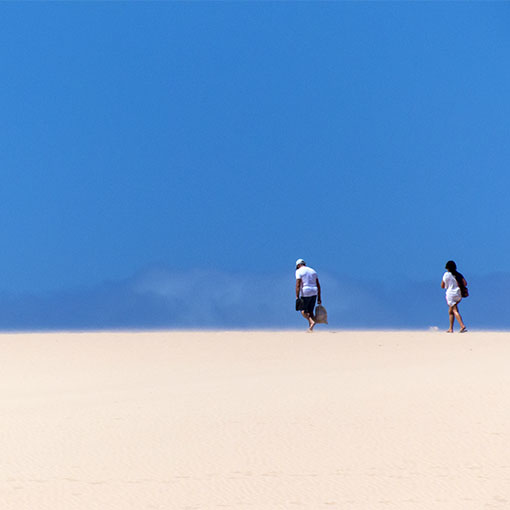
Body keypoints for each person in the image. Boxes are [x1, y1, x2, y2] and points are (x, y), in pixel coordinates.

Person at [441, 260, 468, 333]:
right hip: (458, 294)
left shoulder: (446, 275)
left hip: (451, 294)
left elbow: (442, 286)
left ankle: (462, 326)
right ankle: (450, 328)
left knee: (455, 310)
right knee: (450, 311)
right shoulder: (459, 274)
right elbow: (465, 283)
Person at [295, 259, 321, 332]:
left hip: (306, 291)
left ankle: (311, 322)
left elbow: (298, 285)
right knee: (310, 311)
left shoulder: (298, 271)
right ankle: (311, 329)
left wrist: (297, 297)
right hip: (314, 291)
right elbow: (318, 285)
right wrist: (319, 297)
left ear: (298, 265)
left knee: (302, 310)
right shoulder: (313, 271)